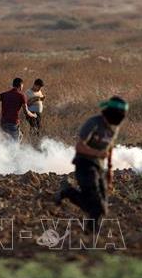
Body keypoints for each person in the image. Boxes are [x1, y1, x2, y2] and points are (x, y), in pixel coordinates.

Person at [55, 96, 128, 231]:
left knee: (103, 207)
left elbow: (110, 147)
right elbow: (79, 146)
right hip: (84, 164)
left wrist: (110, 169)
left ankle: (90, 230)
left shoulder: (114, 127)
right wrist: (97, 154)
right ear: (110, 112)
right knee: (95, 202)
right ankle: (69, 192)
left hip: (99, 167)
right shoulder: (93, 123)